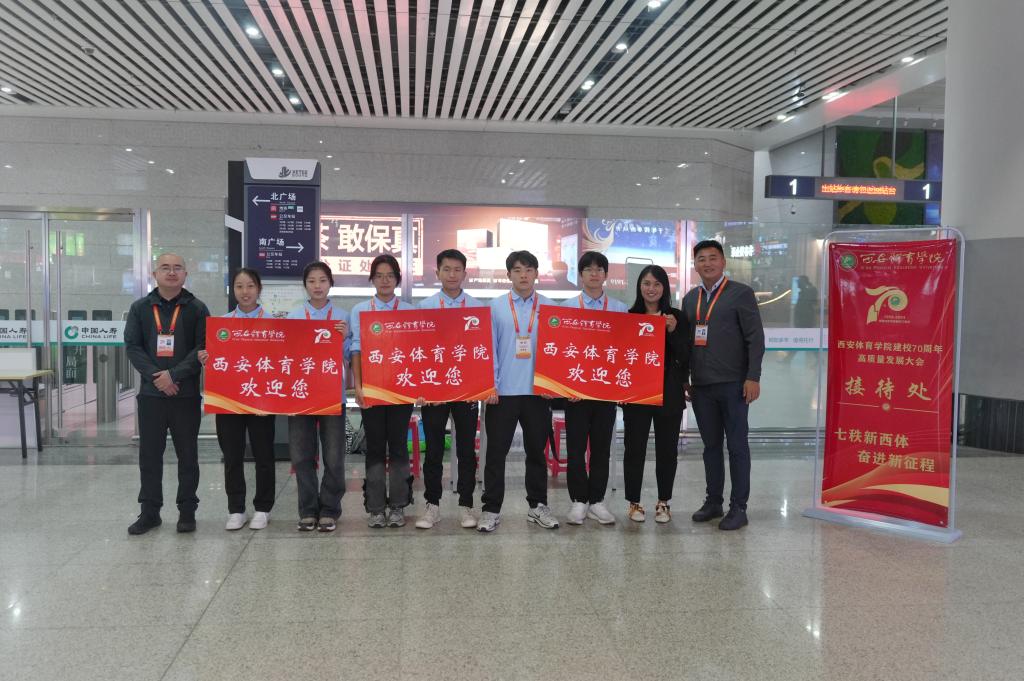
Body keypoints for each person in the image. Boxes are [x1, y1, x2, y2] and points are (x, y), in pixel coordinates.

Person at [682, 239, 765, 531]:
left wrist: (753, 377)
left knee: (737, 446)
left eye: (712, 258)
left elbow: (755, 338)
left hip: (734, 385)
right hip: (702, 386)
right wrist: (685, 378)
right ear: (695, 265)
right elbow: (685, 342)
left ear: (723, 262)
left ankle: (739, 507)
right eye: (701, 259)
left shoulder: (741, 293)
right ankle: (713, 501)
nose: (707, 263)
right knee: (711, 447)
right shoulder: (690, 299)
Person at [124, 253, 210, 535]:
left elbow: (202, 348)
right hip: (151, 396)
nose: (171, 272)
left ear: (185, 274)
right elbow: (133, 347)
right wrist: (158, 378)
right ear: (154, 274)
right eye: (165, 268)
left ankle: (187, 511)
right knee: (149, 456)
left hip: (185, 395)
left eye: (177, 268)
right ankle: (150, 512)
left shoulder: (197, 308)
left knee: (188, 456)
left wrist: (173, 375)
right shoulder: (140, 308)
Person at [477, 250, 558, 533]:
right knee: (495, 454)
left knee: (536, 453)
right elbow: (489, 349)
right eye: (517, 270)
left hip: (538, 393)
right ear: (508, 274)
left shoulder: (550, 307)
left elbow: (556, 350)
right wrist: (491, 384)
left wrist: (552, 385)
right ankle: (491, 509)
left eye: (528, 269)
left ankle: (537, 506)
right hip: (503, 393)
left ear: (537, 273)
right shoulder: (495, 307)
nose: (523, 275)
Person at [197, 268, 276, 531]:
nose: (245, 291)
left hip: (262, 399)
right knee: (232, 455)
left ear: (259, 289)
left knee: (264, 455)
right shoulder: (222, 324)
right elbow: (215, 360)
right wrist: (206, 358)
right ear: (233, 290)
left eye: (250, 286)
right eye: (239, 286)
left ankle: (263, 508)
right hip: (229, 399)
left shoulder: (273, 323)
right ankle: (236, 509)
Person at [414, 249, 484, 530]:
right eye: (446, 269)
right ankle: (432, 506)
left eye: (457, 270)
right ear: (437, 272)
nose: (452, 275)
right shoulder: (425, 307)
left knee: (466, 449)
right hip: (434, 390)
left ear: (465, 273)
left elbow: (483, 350)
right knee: (433, 449)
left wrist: (483, 385)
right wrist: (420, 386)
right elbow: (417, 351)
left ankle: (466, 505)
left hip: (467, 389)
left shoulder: (478, 308)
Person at [561, 251, 629, 525]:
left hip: (605, 391)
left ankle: (597, 501)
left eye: (599, 269)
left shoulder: (619, 309)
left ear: (606, 275)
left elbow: (625, 350)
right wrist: (565, 386)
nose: (594, 273)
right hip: (575, 393)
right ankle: (579, 500)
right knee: (576, 448)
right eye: (588, 269)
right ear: (580, 275)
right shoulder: (566, 307)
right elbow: (560, 351)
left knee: (601, 448)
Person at [351, 254, 417, 529]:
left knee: (399, 446)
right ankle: (376, 507)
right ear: (372, 279)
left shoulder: (409, 311)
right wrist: (358, 386)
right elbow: (356, 350)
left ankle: (398, 505)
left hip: (401, 389)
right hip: (372, 390)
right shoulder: (360, 310)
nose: (385, 280)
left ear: (398, 279)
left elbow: (416, 352)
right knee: (375, 447)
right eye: (379, 275)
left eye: (390, 275)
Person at [621, 265, 690, 524]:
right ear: (640, 286)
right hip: (637, 395)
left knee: (667, 450)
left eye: (657, 284)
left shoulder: (677, 317)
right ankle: (634, 502)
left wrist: (672, 332)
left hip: (669, 394)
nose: (651, 289)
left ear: (664, 288)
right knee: (634, 449)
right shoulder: (629, 317)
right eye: (646, 283)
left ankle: (664, 502)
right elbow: (621, 356)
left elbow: (686, 356)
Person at [286, 262, 350, 532]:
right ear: (305, 285)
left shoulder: (342, 317)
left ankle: (330, 509)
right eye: (312, 281)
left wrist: (344, 339)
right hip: (300, 394)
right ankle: (308, 510)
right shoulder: (294, 316)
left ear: (330, 283)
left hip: (333, 395)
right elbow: (285, 355)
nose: (317, 286)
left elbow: (350, 358)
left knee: (334, 456)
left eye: (323, 280)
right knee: (302, 455)